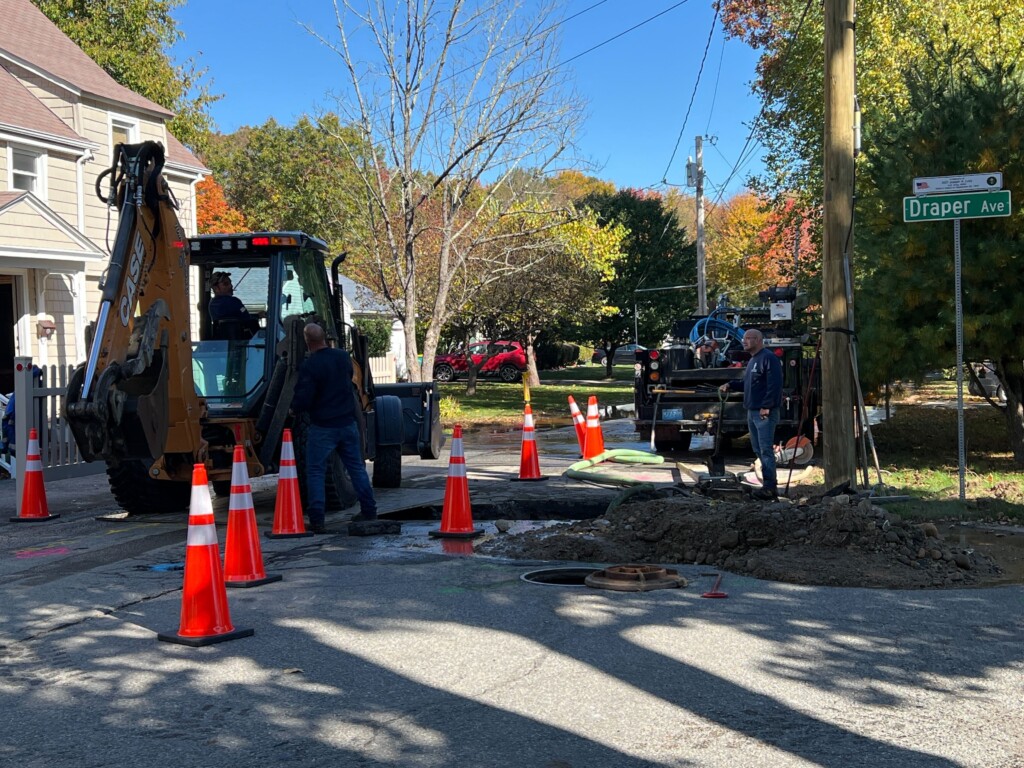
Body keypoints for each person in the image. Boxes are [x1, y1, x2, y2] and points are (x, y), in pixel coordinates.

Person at [291, 323, 377, 533]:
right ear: (325, 338)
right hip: (347, 424)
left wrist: (294, 408)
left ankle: (317, 520)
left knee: (315, 471)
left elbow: (305, 397)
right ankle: (369, 511)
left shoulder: (310, 365)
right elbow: (347, 381)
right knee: (356, 468)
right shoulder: (342, 357)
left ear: (307, 341)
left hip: (323, 427)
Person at [719, 328, 783, 500]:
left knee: (765, 449)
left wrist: (767, 406)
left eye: (749, 338)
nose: (744, 341)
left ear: (759, 340)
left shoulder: (768, 358)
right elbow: (748, 384)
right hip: (752, 411)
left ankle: (770, 487)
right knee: (757, 449)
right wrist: (730, 384)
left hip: (763, 412)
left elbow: (775, 384)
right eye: (744, 338)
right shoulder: (753, 360)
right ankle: (767, 485)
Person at [208, 271, 259, 337]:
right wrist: (258, 316)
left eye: (230, 283)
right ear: (216, 288)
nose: (231, 286)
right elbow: (247, 317)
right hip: (242, 340)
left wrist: (257, 315)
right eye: (226, 284)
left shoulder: (212, 305)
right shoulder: (235, 302)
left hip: (220, 340)